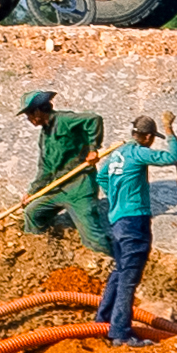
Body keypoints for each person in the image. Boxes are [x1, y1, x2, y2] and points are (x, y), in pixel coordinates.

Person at [96, 112, 177, 348]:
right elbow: (174, 157)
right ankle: (120, 333)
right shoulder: (138, 152)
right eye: (152, 137)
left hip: (117, 220)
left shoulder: (117, 155)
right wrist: (169, 130)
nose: (152, 141)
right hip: (135, 221)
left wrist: (116, 196)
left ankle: (102, 321)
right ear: (145, 137)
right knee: (129, 278)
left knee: (119, 271)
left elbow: (102, 177)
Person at [19, 90, 110, 257]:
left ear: (38, 111)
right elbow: (44, 168)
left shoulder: (65, 120)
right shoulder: (44, 136)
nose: (29, 119)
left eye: (29, 115)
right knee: (32, 212)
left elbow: (94, 120)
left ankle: (121, 263)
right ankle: (42, 253)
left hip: (79, 188)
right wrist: (31, 192)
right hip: (58, 188)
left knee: (92, 239)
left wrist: (92, 149)